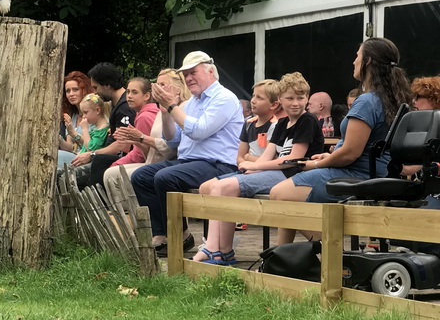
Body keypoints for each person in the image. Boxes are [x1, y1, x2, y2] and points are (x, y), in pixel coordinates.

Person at [269, 38, 413, 243]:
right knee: (288, 200)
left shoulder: (367, 101)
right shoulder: (393, 98)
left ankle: (336, 256)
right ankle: (281, 259)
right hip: (379, 171)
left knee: (280, 193)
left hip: (359, 173)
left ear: (368, 61)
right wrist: (329, 155)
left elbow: (349, 153)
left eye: (357, 55)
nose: (353, 61)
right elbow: (358, 147)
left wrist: (316, 163)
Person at [195, 72, 324, 263]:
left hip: (292, 175)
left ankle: (214, 249)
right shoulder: (282, 123)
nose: (295, 103)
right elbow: (269, 152)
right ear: (280, 100)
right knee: (210, 187)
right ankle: (222, 249)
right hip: (277, 173)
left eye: (301, 98)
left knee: (223, 188)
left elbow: (293, 159)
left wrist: (256, 165)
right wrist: (252, 168)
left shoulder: (308, 120)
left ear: (307, 98)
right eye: (290, 98)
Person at [130, 51, 243, 256]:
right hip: (189, 162)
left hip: (218, 165)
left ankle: (179, 236)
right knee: (141, 176)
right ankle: (162, 234)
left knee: (165, 177)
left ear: (210, 71)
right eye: (186, 74)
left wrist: (173, 106)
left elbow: (199, 131)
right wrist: (165, 113)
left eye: (193, 72)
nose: (189, 78)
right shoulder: (192, 103)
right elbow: (173, 139)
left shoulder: (224, 98)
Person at [103, 70, 188, 200]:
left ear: (178, 89)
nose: (158, 88)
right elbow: (148, 153)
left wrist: (141, 138)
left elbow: (170, 149)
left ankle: (133, 212)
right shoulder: (160, 110)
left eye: (163, 84)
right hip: (153, 161)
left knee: (113, 172)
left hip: (168, 163)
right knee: (109, 173)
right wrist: (136, 140)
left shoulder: (180, 109)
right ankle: (123, 212)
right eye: (157, 85)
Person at [80, 62, 136, 185]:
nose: (94, 93)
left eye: (96, 88)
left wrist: (92, 154)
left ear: (107, 85)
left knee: (76, 176)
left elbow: (123, 145)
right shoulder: (115, 104)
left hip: (123, 160)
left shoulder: (125, 107)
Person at [58, 71, 94, 167]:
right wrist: (59, 139)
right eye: (68, 91)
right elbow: (70, 148)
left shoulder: (93, 114)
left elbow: (93, 146)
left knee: (57, 156)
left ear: (85, 90)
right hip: (74, 156)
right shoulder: (73, 115)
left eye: (75, 89)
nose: (71, 94)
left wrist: (73, 132)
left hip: (89, 159)